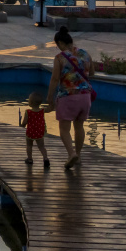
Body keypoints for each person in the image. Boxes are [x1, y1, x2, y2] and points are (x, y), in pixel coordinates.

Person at [45, 26, 94, 170]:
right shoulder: (85, 53)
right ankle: (78, 155)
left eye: (57, 45)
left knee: (64, 129)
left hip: (68, 96)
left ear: (60, 43)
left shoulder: (60, 58)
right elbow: (92, 73)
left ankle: (71, 153)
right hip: (85, 97)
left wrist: (49, 97)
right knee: (79, 126)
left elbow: (54, 79)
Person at [19, 91, 50, 168]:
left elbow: (24, 123)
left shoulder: (28, 112)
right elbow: (51, 108)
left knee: (29, 145)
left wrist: (21, 125)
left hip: (30, 132)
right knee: (41, 147)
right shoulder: (42, 111)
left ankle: (30, 159)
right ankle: (45, 158)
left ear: (31, 102)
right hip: (40, 132)